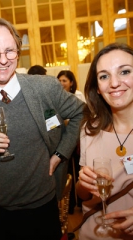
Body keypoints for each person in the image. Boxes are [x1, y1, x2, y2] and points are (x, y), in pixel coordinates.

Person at [0, 18, 84, 240]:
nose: (3, 60)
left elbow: (80, 112)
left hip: (43, 209)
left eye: (9, 51)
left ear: (18, 51)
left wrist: (61, 153)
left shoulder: (45, 87)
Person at [76, 42, 133, 240]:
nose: (114, 83)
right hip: (92, 233)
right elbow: (82, 195)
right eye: (104, 76)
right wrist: (83, 183)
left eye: (125, 72)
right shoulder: (89, 129)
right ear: (98, 88)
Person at [57, 70, 85, 214]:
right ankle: (70, 205)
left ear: (71, 83)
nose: (61, 83)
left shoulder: (78, 96)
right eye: (59, 80)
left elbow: (83, 117)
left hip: (78, 139)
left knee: (79, 170)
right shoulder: (56, 97)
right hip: (63, 140)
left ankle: (80, 202)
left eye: (64, 81)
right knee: (67, 173)